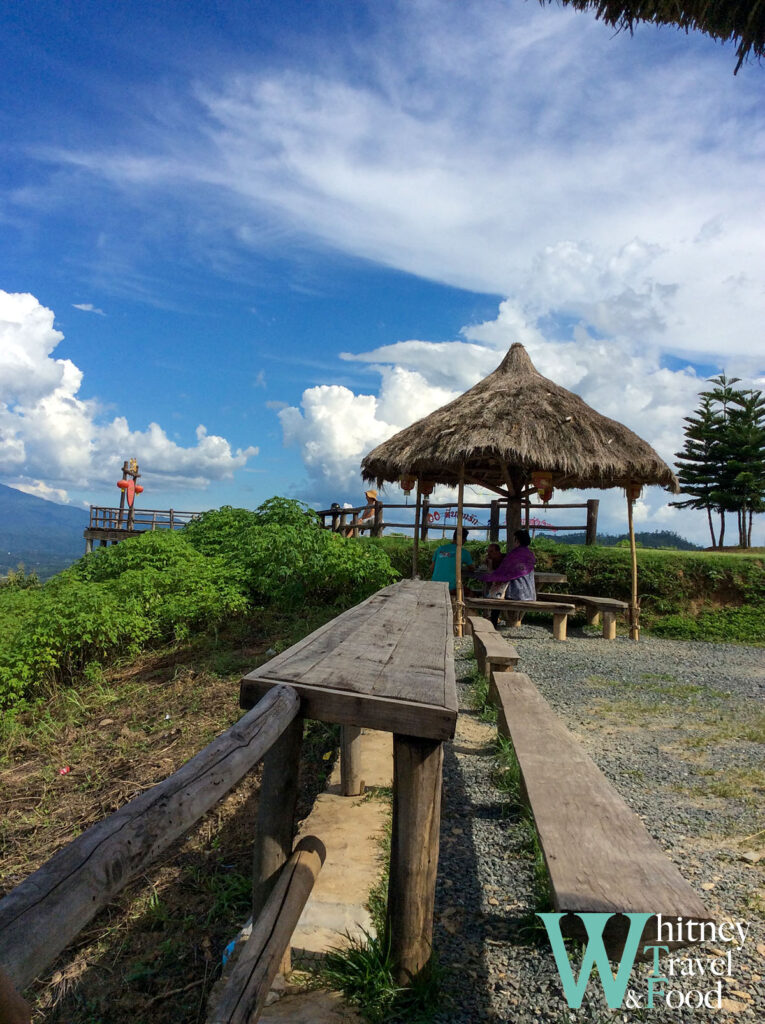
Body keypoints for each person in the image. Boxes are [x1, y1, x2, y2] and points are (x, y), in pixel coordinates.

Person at [482, 529, 536, 625]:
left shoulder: (514, 554)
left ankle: (492, 622)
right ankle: (493, 620)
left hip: (515, 593)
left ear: (517, 541)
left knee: (495, 593)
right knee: (498, 590)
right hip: (530, 592)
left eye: (514, 539)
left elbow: (502, 572)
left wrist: (490, 573)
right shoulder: (530, 554)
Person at [430, 528, 472, 593]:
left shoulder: (440, 549)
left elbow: (432, 569)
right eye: (465, 538)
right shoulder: (464, 552)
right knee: (470, 593)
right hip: (451, 587)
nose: (466, 540)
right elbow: (472, 568)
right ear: (462, 539)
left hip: (435, 585)